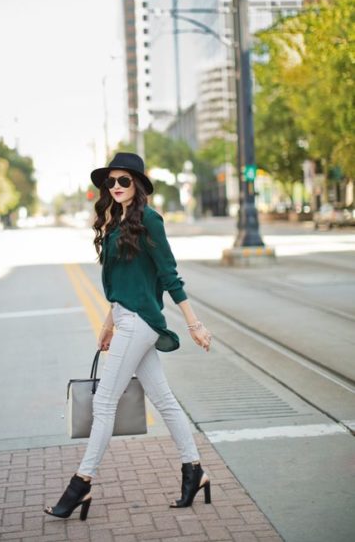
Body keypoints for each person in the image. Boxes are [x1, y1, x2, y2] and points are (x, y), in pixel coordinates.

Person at [44, 152, 212, 521]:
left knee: (105, 403)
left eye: (124, 180)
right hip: (126, 318)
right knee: (164, 399)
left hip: (140, 322)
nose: (116, 187)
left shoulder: (149, 220)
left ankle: (81, 484)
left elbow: (169, 275)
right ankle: (194, 470)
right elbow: (125, 282)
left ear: (137, 184)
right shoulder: (116, 221)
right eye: (111, 181)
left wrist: (194, 323)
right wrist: (108, 322)